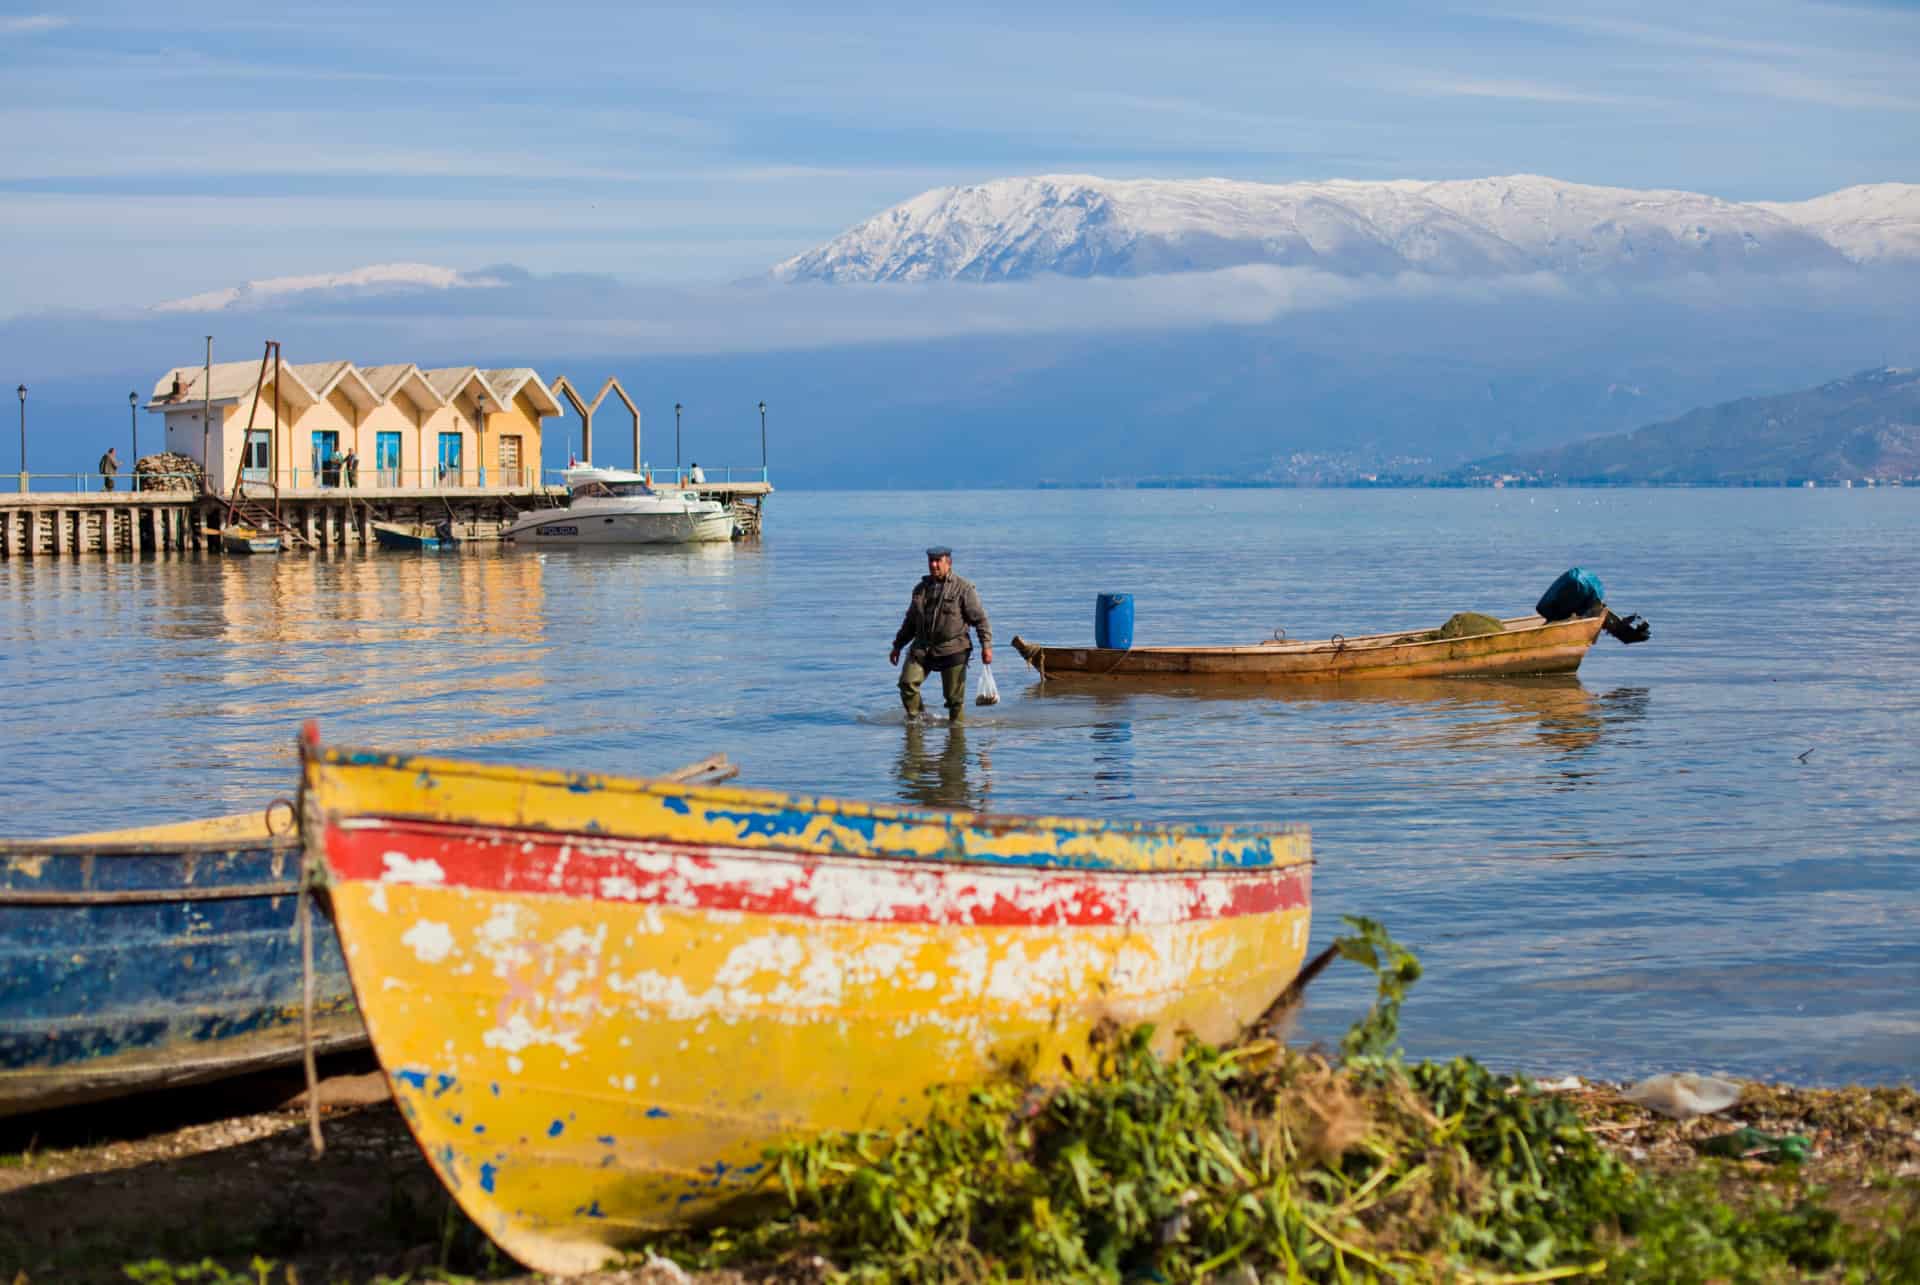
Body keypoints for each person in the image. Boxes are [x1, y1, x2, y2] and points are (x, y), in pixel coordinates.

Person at [890, 546, 992, 723]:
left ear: (949, 563)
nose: (934, 565)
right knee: (907, 683)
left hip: (954, 648)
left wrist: (986, 646)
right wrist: (897, 646)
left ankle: (956, 739)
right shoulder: (920, 589)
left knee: (954, 701)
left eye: (938, 561)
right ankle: (917, 720)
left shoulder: (964, 588)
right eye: (931, 561)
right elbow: (910, 622)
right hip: (922, 648)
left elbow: (980, 619)